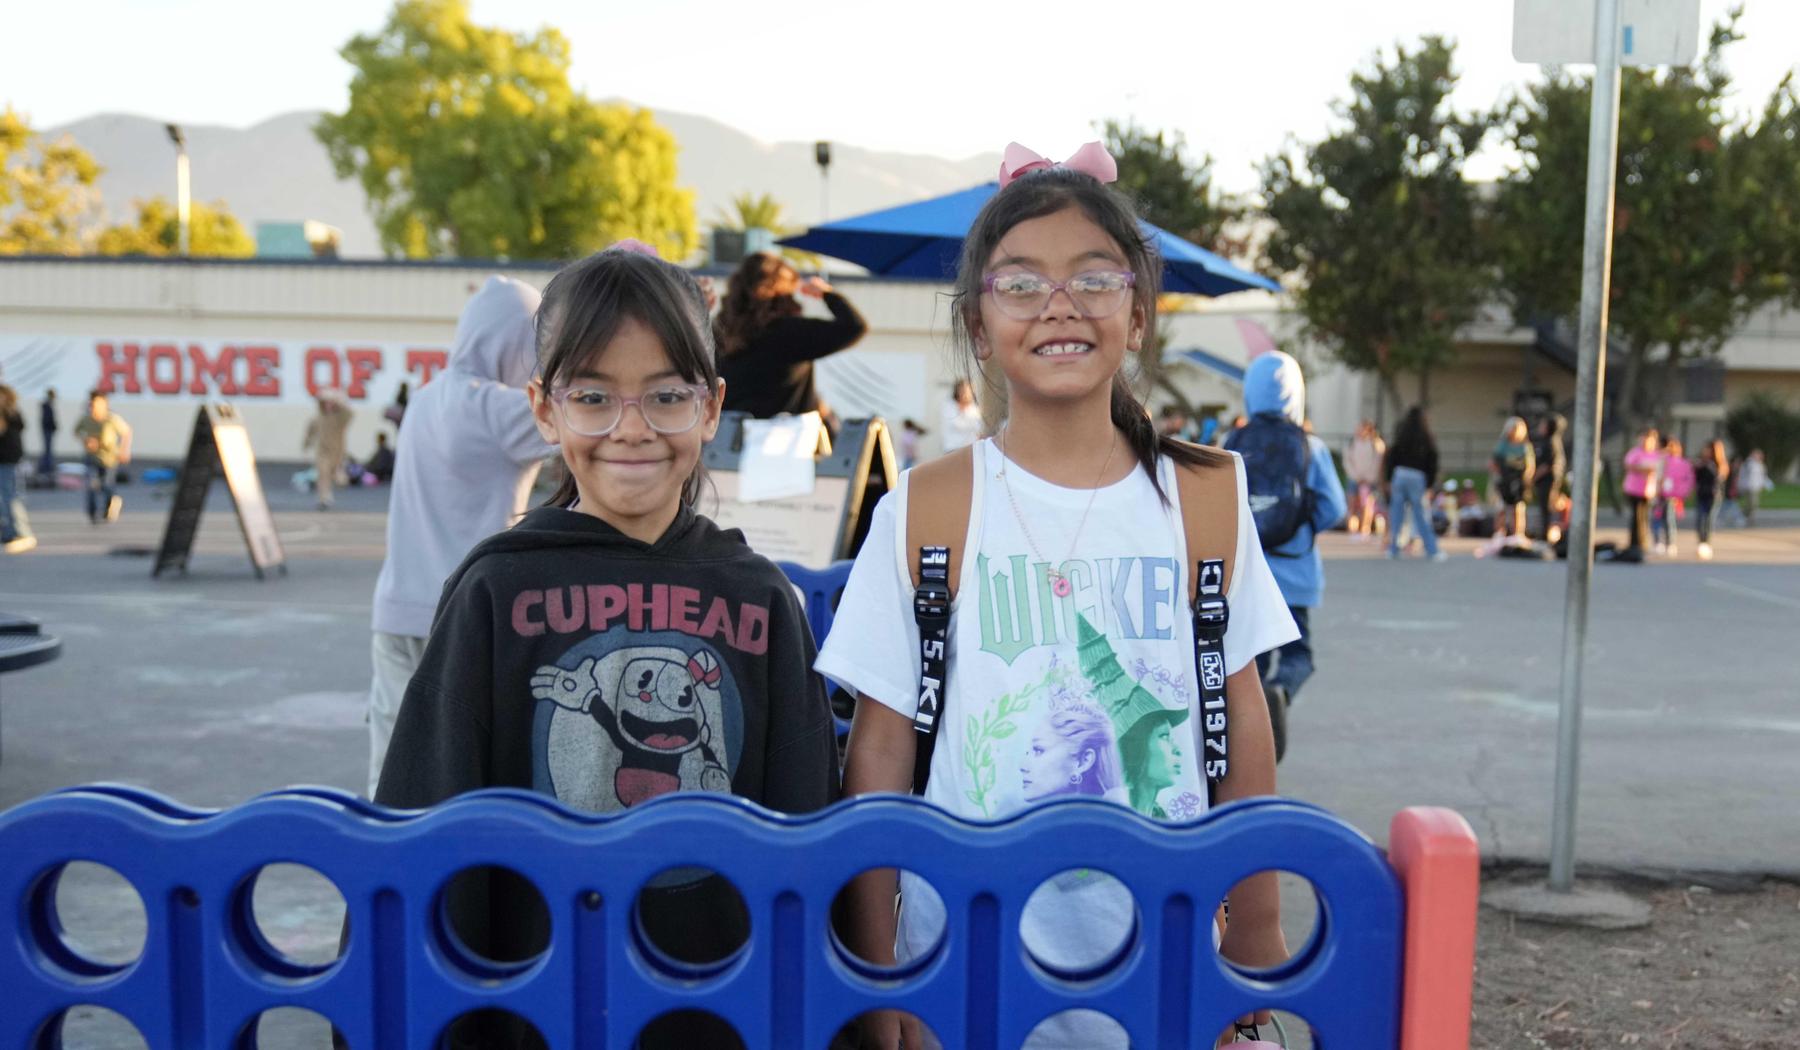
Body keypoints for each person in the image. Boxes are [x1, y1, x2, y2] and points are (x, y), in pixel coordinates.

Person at [818, 143, 1296, 1050]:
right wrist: (881, 987)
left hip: (1170, 960)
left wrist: (1261, 936)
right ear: (978, 319)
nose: (1060, 305)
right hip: (962, 971)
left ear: (1141, 313)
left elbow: (1242, 717)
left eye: (1094, 278)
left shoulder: (1203, 495)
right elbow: (878, 753)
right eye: (1022, 283)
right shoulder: (927, 505)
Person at [375, 247, 838, 1050]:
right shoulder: (493, 593)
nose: (631, 429)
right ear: (545, 410)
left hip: (720, 1016)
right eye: (592, 396)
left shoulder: (760, 597)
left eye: (666, 396)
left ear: (710, 407)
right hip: (535, 1010)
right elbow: (429, 832)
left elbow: (806, 831)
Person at [366, 276, 556, 797]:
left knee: (392, 775)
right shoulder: (496, 409)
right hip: (460, 619)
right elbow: (589, 423)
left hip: (395, 609)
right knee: (461, 779)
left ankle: (388, 876)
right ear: (514, 344)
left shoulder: (426, 399)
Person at [1224, 351, 1348, 742]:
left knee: (1252, 661)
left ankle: (1254, 733)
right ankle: (1283, 690)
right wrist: (1302, 523)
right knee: (1299, 656)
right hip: (1295, 573)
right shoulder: (1311, 446)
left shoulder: (1234, 441)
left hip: (1249, 576)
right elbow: (1335, 508)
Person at [714, 251, 867, 433]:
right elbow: (854, 327)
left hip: (726, 441)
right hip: (783, 444)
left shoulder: (720, 332)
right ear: (782, 294)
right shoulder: (788, 333)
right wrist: (827, 294)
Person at [1383, 406, 1444, 561]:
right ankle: (1432, 549)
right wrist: (1429, 484)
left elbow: (1392, 456)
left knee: (1397, 514)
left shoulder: (1402, 434)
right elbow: (1432, 461)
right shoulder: (1426, 437)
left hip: (1400, 474)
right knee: (1421, 514)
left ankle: (1393, 548)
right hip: (1417, 476)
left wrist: (1389, 479)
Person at [74, 390, 127, 523]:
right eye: (92, 404)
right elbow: (77, 431)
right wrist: (86, 439)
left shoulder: (111, 419)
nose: (94, 407)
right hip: (91, 457)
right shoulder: (86, 419)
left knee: (106, 485)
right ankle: (92, 512)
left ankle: (110, 506)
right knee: (91, 483)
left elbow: (126, 432)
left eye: (97, 404)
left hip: (109, 458)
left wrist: (124, 450)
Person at [1490, 416, 1535, 545]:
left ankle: (1518, 534)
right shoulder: (1502, 445)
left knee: (1518, 508)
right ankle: (1499, 532)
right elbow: (1494, 463)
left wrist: (1526, 480)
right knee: (1501, 508)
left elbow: (1530, 465)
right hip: (1504, 480)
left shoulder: (1525, 446)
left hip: (1518, 480)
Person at [1, 384, 35, 553]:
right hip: (7, 457)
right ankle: (7, 532)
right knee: (5, 496)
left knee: (10, 496)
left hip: (8, 459)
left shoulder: (10, 413)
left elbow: (10, 429)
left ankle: (22, 532)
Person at [1342, 419, 1385, 539]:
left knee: (1367, 505)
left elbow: (1377, 463)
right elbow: (1347, 462)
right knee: (1352, 505)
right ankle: (1352, 530)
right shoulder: (1351, 443)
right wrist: (1355, 476)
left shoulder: (1375, 444)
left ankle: (1364, 530)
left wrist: (1367, 477)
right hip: (1354, 478)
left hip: (1368, 479)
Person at [1622, 428, 1661, 553]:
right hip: (1634, 489)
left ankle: (1643, 541)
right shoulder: (1635, 453)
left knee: (1644, 517)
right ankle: (1635, 542)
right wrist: (1643, 469)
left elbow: (1660, 469)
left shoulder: (1655, 455)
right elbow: (1629, 465)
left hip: (1648, 491)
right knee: (1636, 517)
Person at [1653, 437, 1693, 556]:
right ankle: (1658, 542)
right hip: (1660, 493)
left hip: (1672, 495)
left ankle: (1670, 543)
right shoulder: (1662, 459)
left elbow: (1687, 479)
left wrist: (1683, 492)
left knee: (1669, 519)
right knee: (1657, 518)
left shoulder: (1682, 463)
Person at [1532, 413, 1567, 542]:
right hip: (1544, 481)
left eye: (1543, 425)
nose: (1540, 427)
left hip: (1547, 481)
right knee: (1544, 507)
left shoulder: (1551, 442)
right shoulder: (1545, 441)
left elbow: (1547, 465)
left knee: (1547, 508)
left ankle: (1546, 535)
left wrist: (1533, 478)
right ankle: (1544, 532)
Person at [1692, 438, 1729, 560]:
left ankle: (1706, 543)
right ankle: (1701, 542)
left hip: (1713, 496)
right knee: (1699, 518)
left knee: (1708, 519)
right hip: (1701, 494)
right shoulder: (1700, 463)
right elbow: (1695, 477)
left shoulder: (1718, 464)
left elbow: (1719, 479)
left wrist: (1710, 467)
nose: (1705, 452)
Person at [940, 378, 983, 451]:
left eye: (969, 391)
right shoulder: (949, 405)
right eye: (964, 391)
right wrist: (971, 423)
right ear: (957, 391)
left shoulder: (974, 409)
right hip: (953, 448)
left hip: (970, 449)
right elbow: (956, 424)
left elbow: (979, 428)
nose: (966, 394)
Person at [1738, 448, 1772, 525]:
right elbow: (1743, 475)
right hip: (1749, 486)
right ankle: (1746, 517)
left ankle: (1749, 518)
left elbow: (1762, 476)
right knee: (1752, 503)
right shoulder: (1748, 463)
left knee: (1754, 504)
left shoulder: (1760, 465)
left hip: (1756, 487)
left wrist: (1764, 485)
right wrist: (1741, 486)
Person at [37, 387, 57, 478]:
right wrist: (52, 427)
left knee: (48, 449)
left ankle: (47, 467)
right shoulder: (47, 405)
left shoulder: (48, 405)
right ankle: (46, 468)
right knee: (47, 450)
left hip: (48, 430)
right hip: (47, 430)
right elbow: (47, 419)